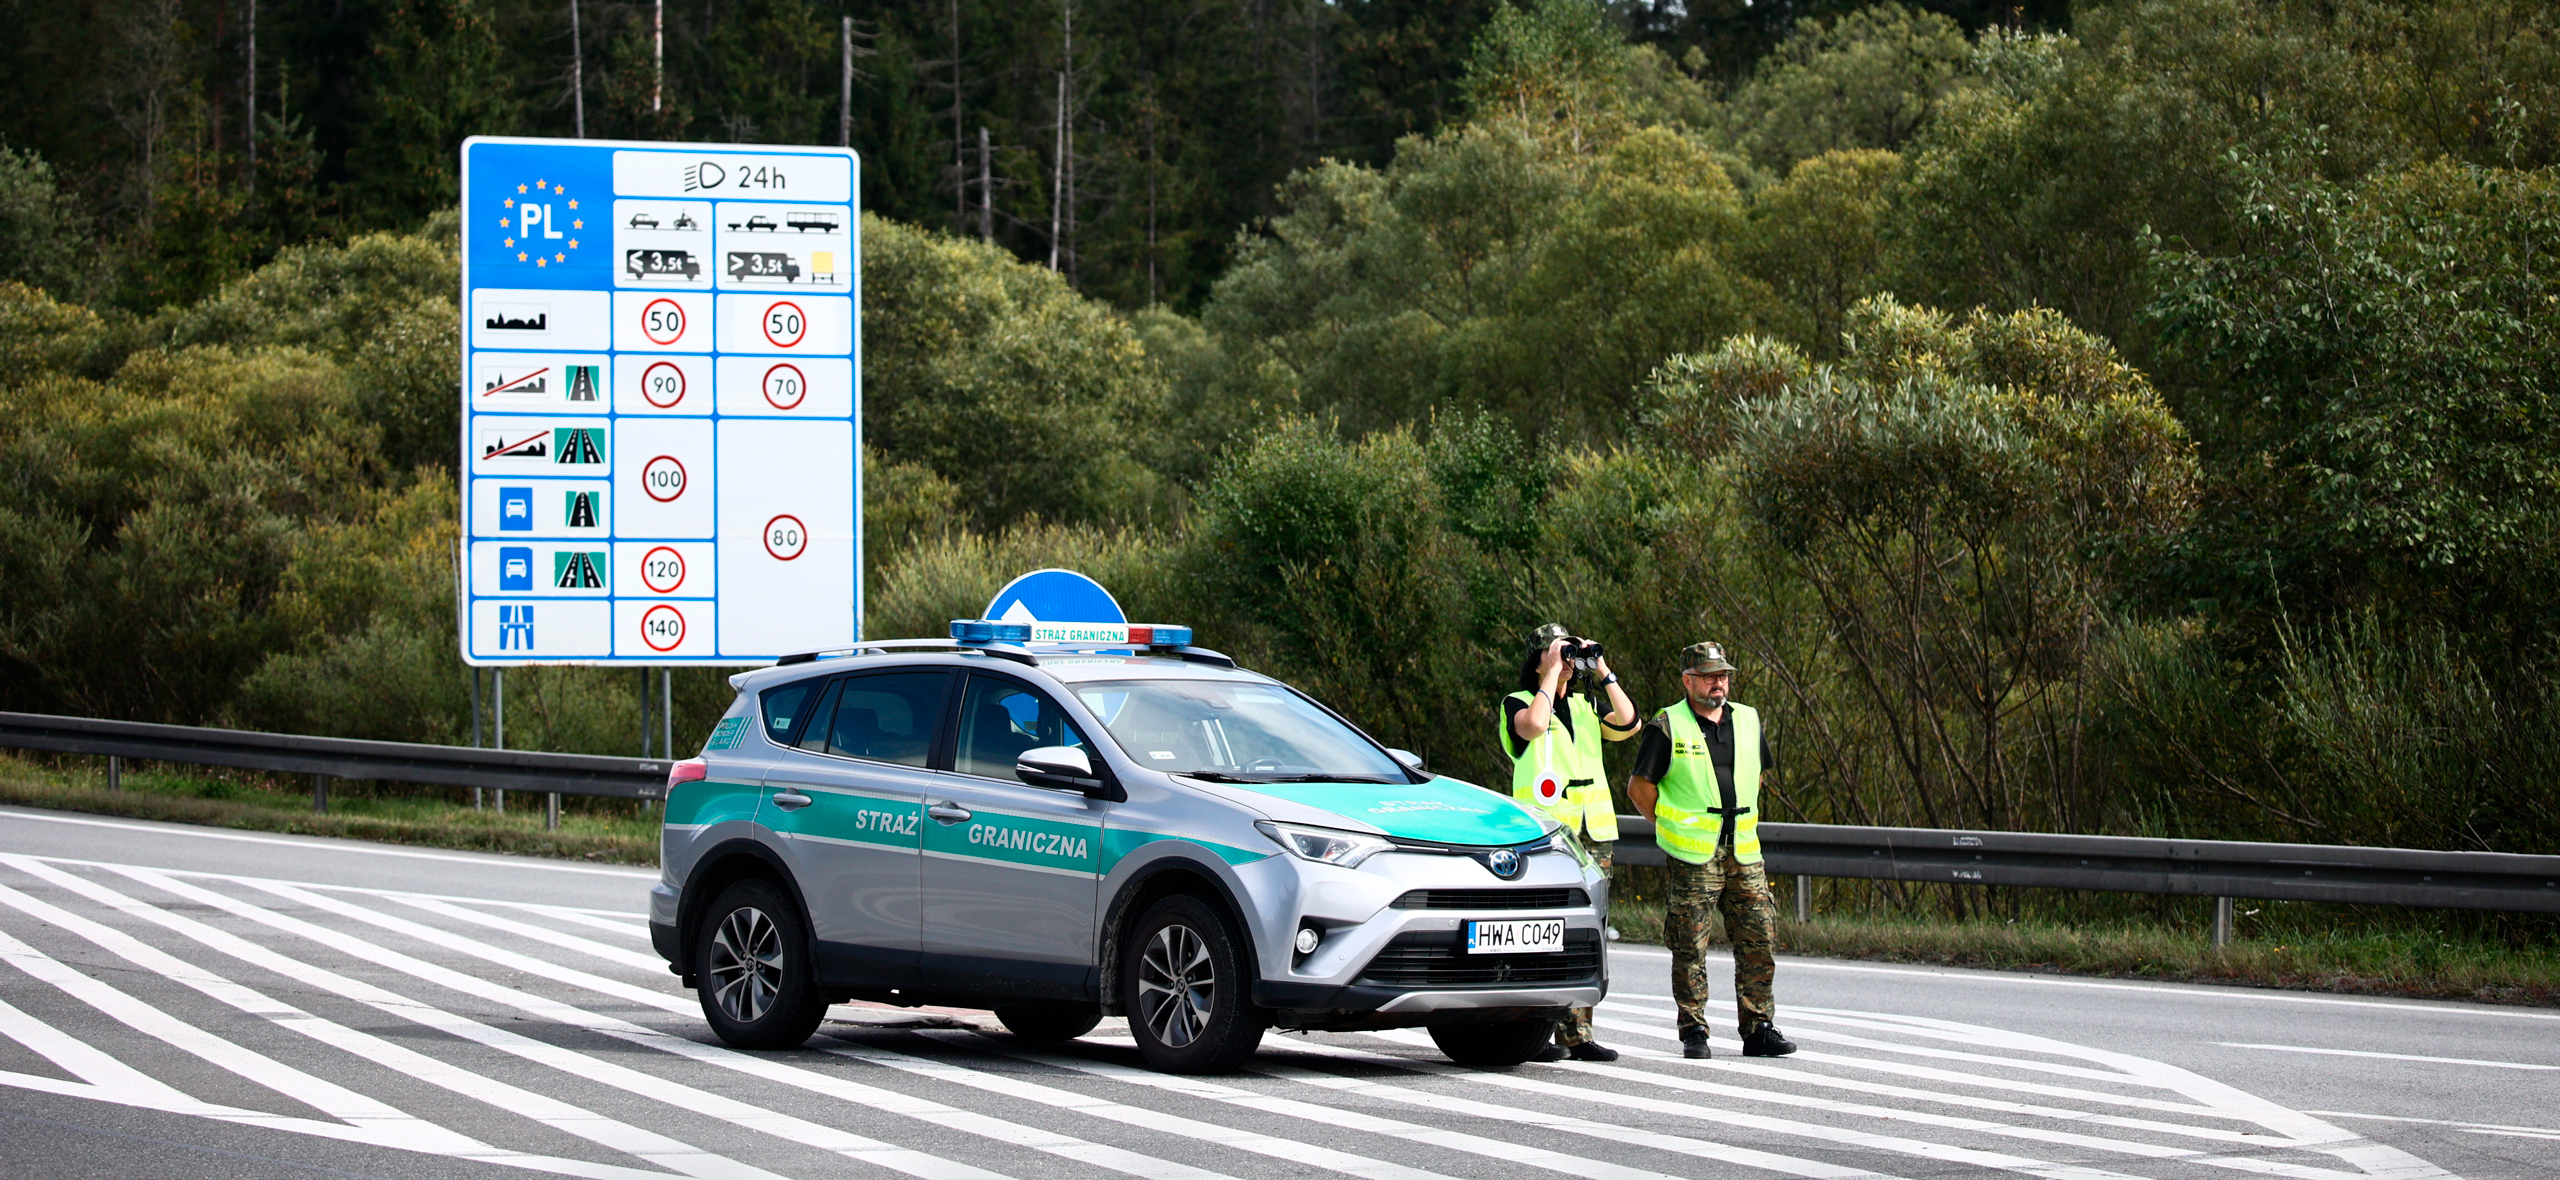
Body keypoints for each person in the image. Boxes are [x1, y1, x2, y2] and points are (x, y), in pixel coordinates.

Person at [1627, 641, 1797, 1060]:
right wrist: (1671, 823)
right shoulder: (1667, 725)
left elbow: (1756, 775)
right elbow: (1639, 788)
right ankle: (1694, 1031)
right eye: (1709, 676)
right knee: (1690, 946)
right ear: (1688, 681)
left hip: (1743, 851)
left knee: (1760, 939)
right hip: (1694, 856)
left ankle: (1758, 1027)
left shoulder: (1747, 719)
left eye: (1723, 675)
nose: (1718, 683)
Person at [1502, 623, 1640, 1062]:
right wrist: (1551, 673)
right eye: (1554, 652)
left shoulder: (1585, 704)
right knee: (1537, 930)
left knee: (1586, 932)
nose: (1564, 660)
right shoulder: (1517, 703)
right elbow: (1535, 726)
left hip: (1592, 834)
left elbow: (1630, 723)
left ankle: (1577, 1035)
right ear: (1538, 658)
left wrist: (1601, 668)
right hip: (1543, 836)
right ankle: (1533, 1030)